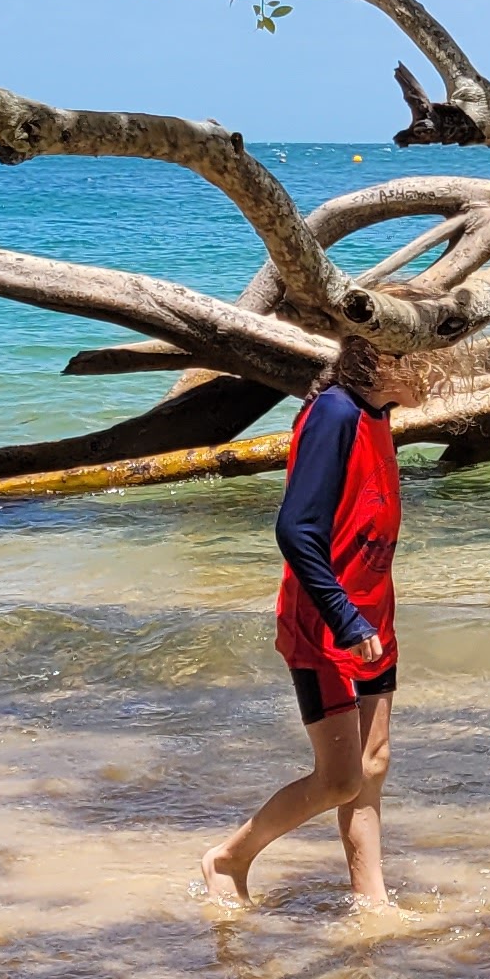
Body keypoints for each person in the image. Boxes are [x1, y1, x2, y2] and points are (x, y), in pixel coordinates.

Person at [200, 338, 416, 910]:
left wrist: (365, 617)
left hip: (374, 616)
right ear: (386, 358)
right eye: (432, 359)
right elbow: (297, 530)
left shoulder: (377, 415)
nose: (447, 378)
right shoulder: (335, 413)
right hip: (326, 622)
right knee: (341, 778)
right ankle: (228, 859)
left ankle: (371, 902)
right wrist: (343, 617)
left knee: (374, 763)